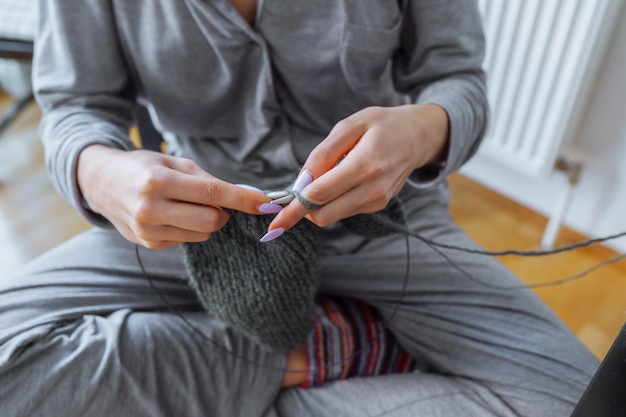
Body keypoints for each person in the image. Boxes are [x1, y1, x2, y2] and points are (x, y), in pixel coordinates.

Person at [0, 0, 598, 416]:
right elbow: (75, 104)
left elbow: (457, 79)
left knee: (584, 403)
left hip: (387, 224)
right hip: (189, 228)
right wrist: (99, 172)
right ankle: (333, 348)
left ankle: (241, 391)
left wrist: (421, 132)